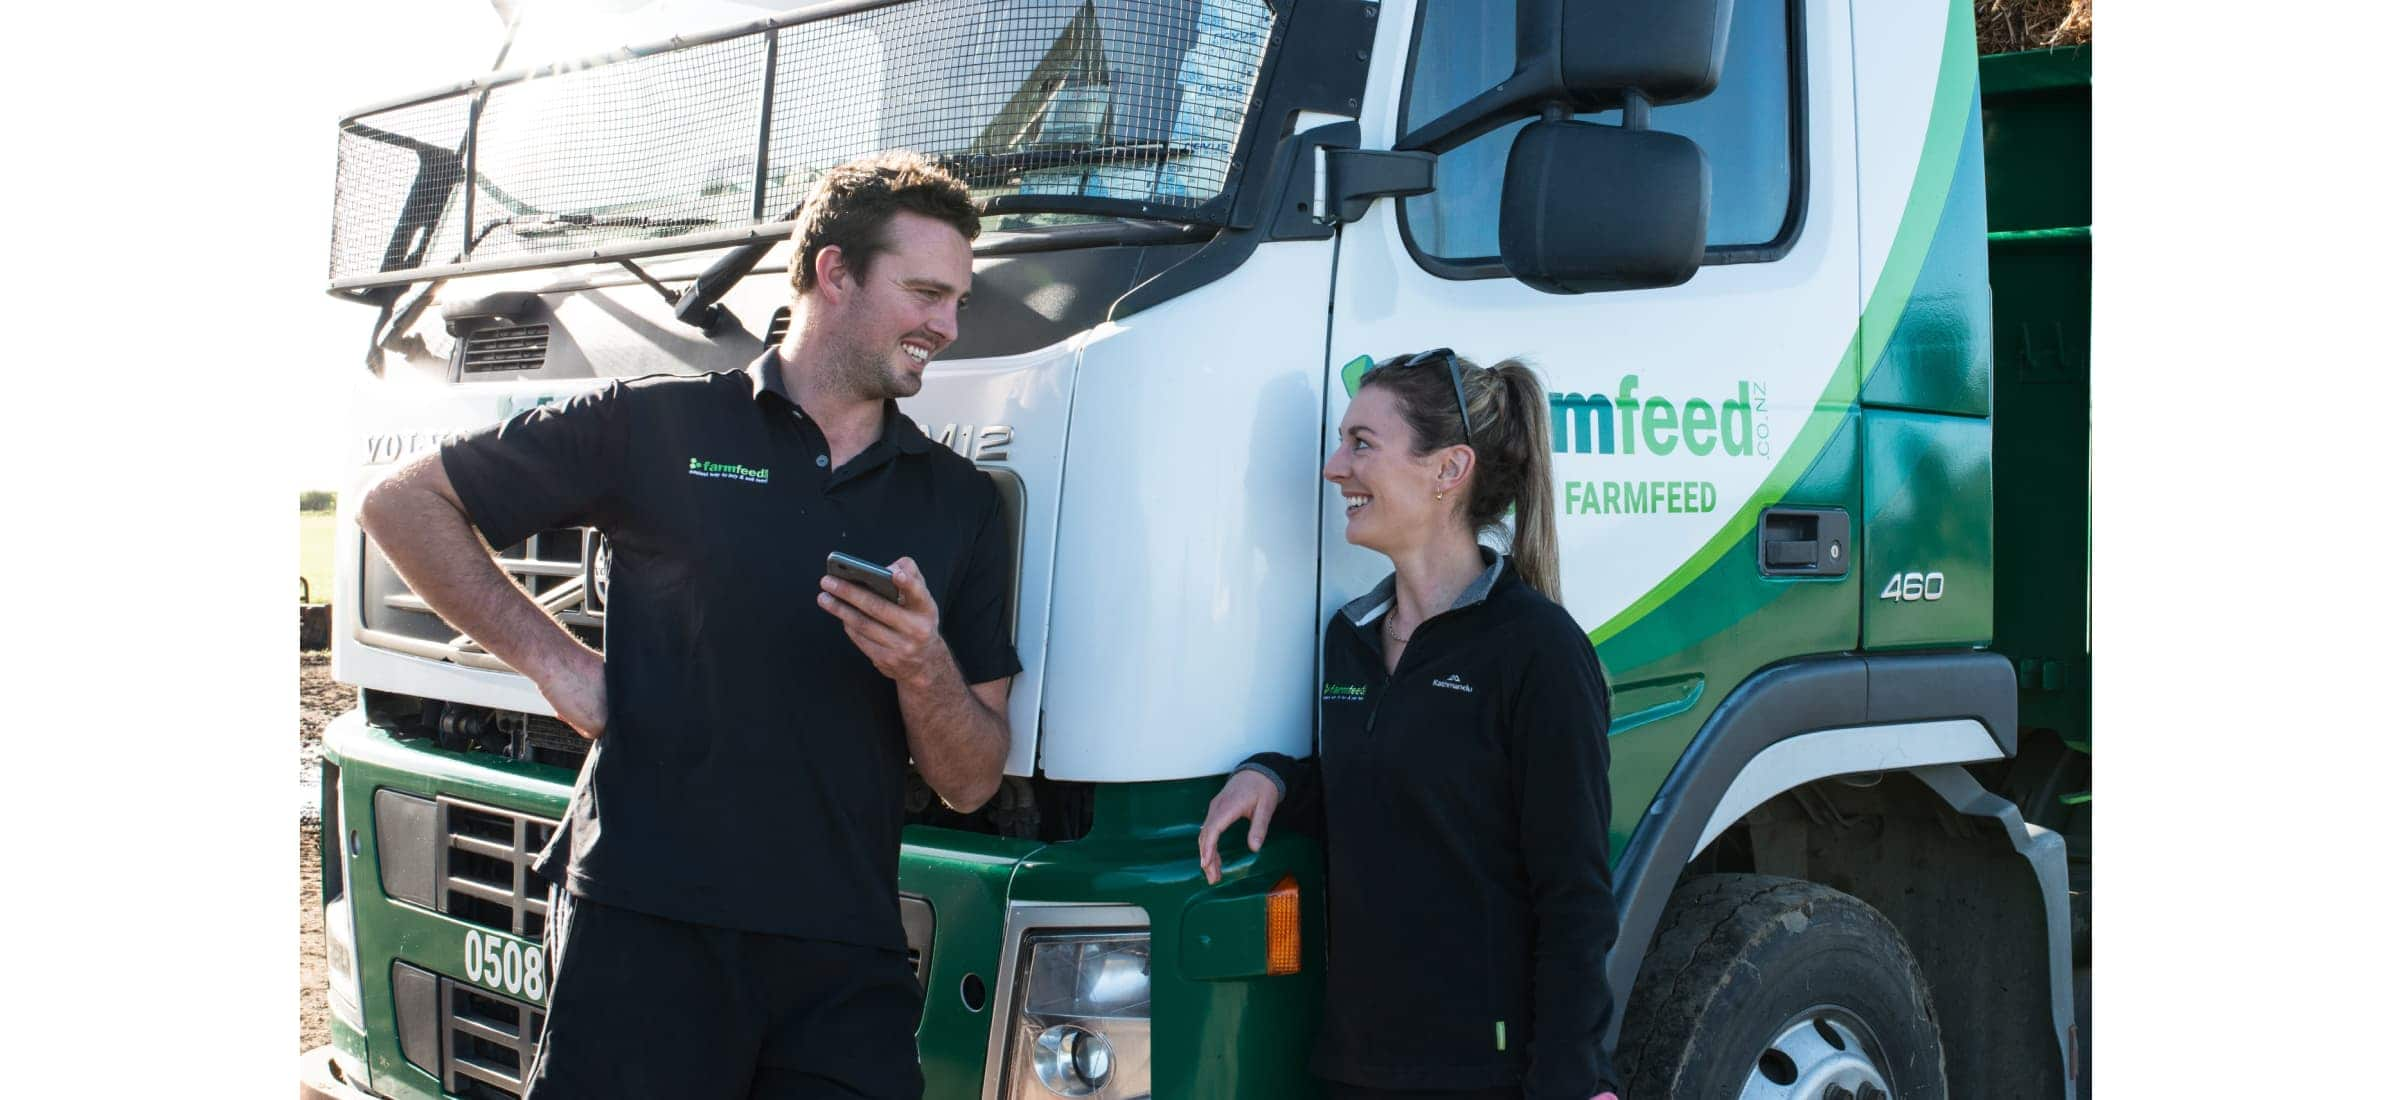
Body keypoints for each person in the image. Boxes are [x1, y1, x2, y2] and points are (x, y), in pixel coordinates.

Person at [358, 151, 1018, 1100]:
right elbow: (401, 505)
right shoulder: (657, 427)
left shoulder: (961, 504)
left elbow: (970, 781)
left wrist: (924, 669)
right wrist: (555, 662)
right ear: (833, 272)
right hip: (641, 930)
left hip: (844, 959)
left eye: (957, 300)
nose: (946, 327)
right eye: (924, 293)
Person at [1196, 349, 1622, 1100]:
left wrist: (1570, 1080)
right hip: (1354, 1067)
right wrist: (1274, 776)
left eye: (1362, 444)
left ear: (1447, 470)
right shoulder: (1350, 637)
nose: (1335, 467)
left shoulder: (1538, 650)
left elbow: (1575, 899)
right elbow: (1383, 794)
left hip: (1481, 1073)